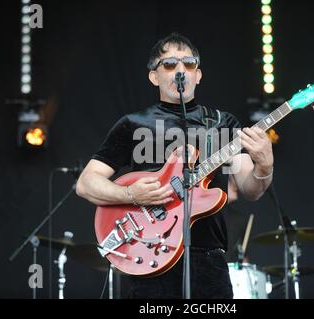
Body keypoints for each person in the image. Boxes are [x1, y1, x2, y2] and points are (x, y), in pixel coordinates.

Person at [76, 33, 274, 299]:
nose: (180, 70)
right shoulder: (133, 124)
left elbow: (250, 190)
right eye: (169, 64)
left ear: (198, 75)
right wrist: (130, 194)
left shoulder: (221, 122)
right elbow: (86, 184)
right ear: (153, 76)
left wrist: (264, 165)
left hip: (209, 260)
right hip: (150, 258)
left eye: (188, 63)